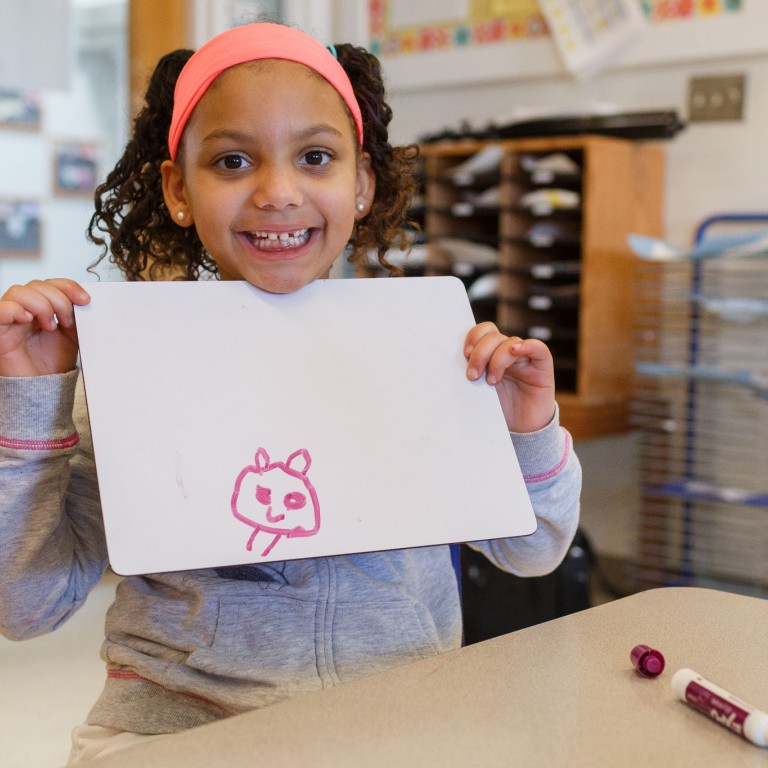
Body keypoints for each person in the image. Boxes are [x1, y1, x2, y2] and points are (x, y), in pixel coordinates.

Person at [0, 23, 581, 764]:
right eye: (233, 160)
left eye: (315, 157)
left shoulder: (433, 350)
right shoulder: (135, 364)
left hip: (396, 730)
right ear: (179, 189)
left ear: (362, 182)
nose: (278, 192)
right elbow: (26, 607)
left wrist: (527, 432)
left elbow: (534, 552)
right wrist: (33, 404)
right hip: (174, 734)